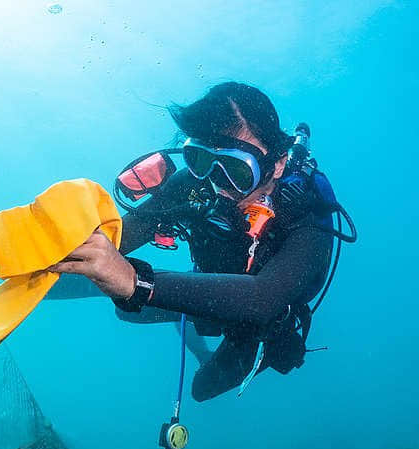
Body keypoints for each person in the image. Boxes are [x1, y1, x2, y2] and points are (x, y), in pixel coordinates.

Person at [49, 82, 348, 400]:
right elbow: (124, 235)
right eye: (200, 159)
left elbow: (264, 298)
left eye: (236, 169)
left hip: (260, 317)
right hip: (209, 287)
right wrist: (65, 253)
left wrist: (136, 283)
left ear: (277, 165)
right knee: (124, 310)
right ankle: (179, 306)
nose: (216, 183)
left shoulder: (307, 212)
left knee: (202, 390)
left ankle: (212, 328)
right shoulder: (195, 183)